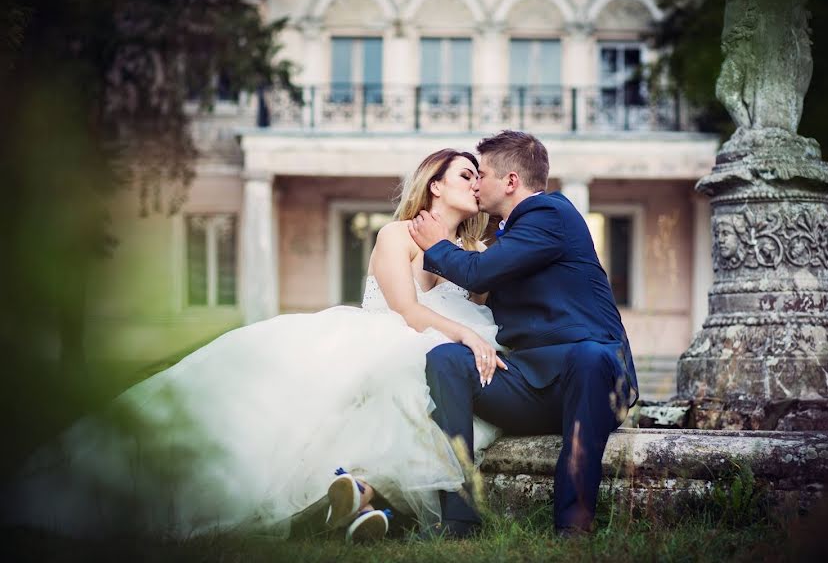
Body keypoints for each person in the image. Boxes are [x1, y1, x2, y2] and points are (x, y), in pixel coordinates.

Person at [1, 149, 502, 541]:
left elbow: (480, 300)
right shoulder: (397, 235)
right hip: (383, 338)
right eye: (465, 174)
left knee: (428, 406)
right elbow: (407, 311)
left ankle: (360, 495)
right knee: (308, 409)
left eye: (478, 177)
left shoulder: (476, 253)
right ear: (434, 184)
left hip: (431, 355)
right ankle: (355, 494)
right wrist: (466, 332)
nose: (475, 183)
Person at [409, 130, 639, 538]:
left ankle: (573, 525)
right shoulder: (505, 238)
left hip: (593, 377)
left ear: (511, 181)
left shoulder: (551, 214)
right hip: (530, 382)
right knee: (445, 360)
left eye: (480, 174)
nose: (475, 183)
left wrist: (438, 245)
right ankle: (459, 520)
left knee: (589, 357)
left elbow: (478, 272)